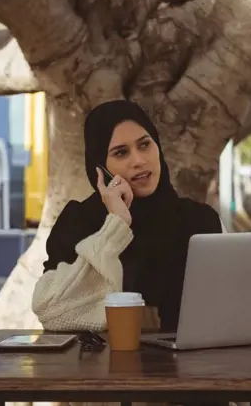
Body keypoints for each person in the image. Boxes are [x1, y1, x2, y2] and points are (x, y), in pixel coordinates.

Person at [32, 99, 225, 333]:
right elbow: (51, 312)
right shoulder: (79, 221)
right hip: (99, 364)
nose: (139, 160)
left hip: (187, 364)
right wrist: (116, 226)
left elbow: (220, 307)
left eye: (145, 145)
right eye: (121, 152)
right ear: (100, 168)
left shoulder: (198, 220)